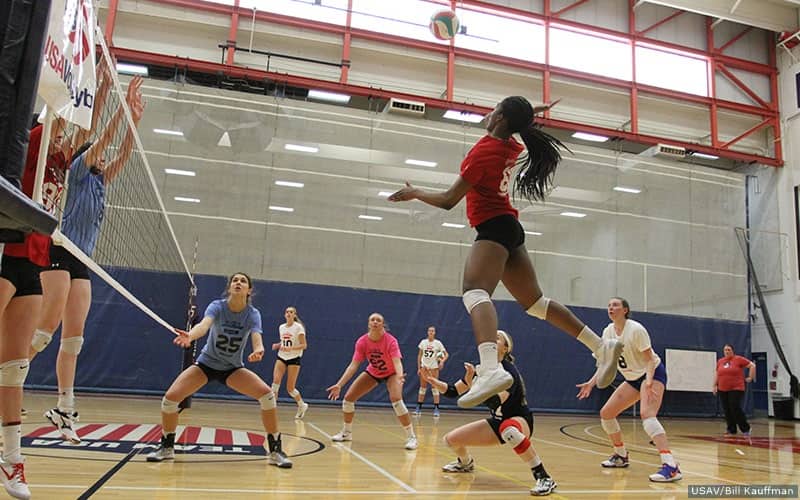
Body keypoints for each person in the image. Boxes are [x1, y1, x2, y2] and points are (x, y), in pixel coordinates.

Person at [389, 96, 622, 408]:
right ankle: (600, 346)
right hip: (510, 226)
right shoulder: (511, 145)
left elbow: (448, 200)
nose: (488, 113)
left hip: (494, 227)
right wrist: (528, 114)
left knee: (474, 292)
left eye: (494, 110)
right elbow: (510, 120)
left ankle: (490, 369)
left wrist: (415, 192)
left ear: (499, 119)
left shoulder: (483, 152)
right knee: (537, 303)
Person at [29, 75, 144, 444]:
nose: (104, 156)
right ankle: (8, 375)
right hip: (59, 251)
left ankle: (64, 408)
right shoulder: (77, 173)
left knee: (73, 340)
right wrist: (116, 105)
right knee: (44, 334)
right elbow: (104, 139)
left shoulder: (100, 181)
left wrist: (134, 124)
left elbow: (123, 151)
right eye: (98, 153)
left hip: (83, 262)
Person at [146, 272, 292, 468]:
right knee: (170, 399)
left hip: (232, 368)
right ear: (230, 287)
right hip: (207, 364)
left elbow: (257, 339)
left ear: (249, 290)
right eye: (235, 280)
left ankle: (275, 450)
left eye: (243, 281)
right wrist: (190, 335)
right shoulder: (217, 306)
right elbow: (204, 326)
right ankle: (167, 447)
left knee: (267, 395)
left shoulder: (252, 314)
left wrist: (259, 350)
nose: (238, 283)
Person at [424, 330, 557, 496]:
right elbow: (453, 391)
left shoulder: (508, 373)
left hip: (519, 420)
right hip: (498, 422)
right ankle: (466, 463)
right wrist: (434, 382)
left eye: (497, 338)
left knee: (509, 430)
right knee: (450, 440)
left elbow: (494, 400)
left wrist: (474, 386)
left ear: (505, 348)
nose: (492, 340)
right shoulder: (483, 369)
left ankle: (544, 477)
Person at [576, 297, 681, 483]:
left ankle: (671, 466)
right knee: (607, 413)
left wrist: (649, 382)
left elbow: (649, 359)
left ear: (625, 310)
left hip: (652, 373)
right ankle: (621, 455)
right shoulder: (607, 332)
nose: (611, 308)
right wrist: (591, 383)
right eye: (608, 305)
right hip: (632, 378)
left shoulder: (636, 330)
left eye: (615, 305)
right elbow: (604, 363)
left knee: (647, 415)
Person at [326, 312, 418, 450]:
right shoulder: (362, 342)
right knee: (348, 399)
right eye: (372, 320)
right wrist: (339, 384)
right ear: (369, 324)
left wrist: (399, 376)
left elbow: (397, 362)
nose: (375, 322)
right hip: (374, 372)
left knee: (396, 400)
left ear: (383, 324)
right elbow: (353, 365)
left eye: (378, 320)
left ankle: (411, 437)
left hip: (392, 373)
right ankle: (347, 432)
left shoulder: (390, 340)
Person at [271, 305, 309, 420]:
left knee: (290, 388)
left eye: (291, 312)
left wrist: (291, 348)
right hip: (282, 357)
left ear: (294, 315)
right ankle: (271, 409)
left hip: (294, 358)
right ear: (284, 314)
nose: (288, 313)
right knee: (275, 383)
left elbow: (304, 345)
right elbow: (285, 341)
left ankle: (302, 405)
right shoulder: (281, 327)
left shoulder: (299, 328)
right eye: (287, 312)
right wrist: (278, 345)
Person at [714, 344, 755, 437]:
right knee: (727, 409)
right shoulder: (720, 361)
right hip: (722, 388)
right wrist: (714, 385)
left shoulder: (738, 359)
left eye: (729, 350)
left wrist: (750, 377)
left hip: (736, 388)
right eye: (725, 350)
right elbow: (717, 374)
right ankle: (731, 429)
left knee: (734, 406)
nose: (727, 351)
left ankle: (746, 428)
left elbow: (752, 366)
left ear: (732, 351)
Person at [414, 325, 448, 417]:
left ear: (435, 333)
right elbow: (419, 356)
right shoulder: (423, 342)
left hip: (434, 368)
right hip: (424, 368)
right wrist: (419, 368)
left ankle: (436, 408)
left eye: (433, 331)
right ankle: (418, 407)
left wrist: (442, 362)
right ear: (427, 332)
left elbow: (446, 354)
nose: (431, 332)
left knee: (435, 388)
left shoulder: (438, 343)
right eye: (429, 331)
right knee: (423, 387)